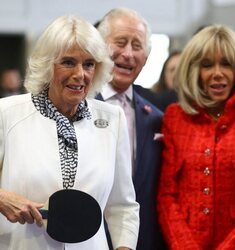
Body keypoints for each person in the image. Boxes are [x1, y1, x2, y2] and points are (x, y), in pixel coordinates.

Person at [0, 15, 139, 250]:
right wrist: (3, 198)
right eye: (67, 62)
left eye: (88, 64)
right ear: (47, 64)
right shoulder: (7, 113)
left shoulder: (112, 119)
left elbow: (122, 207)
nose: (80, 74)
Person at [157, 24, 235, 249]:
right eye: (207, 65)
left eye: (226, 64)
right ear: (193, 71)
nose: (217, 73)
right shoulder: (175, 117)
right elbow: (166, 196)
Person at [96, 7, 166, 250]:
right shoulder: (76, 107)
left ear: (146, 58)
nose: (128, 54)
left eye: (137, 46)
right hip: (84, 239)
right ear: (99, 47)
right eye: (120, 42)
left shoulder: (156, 118)